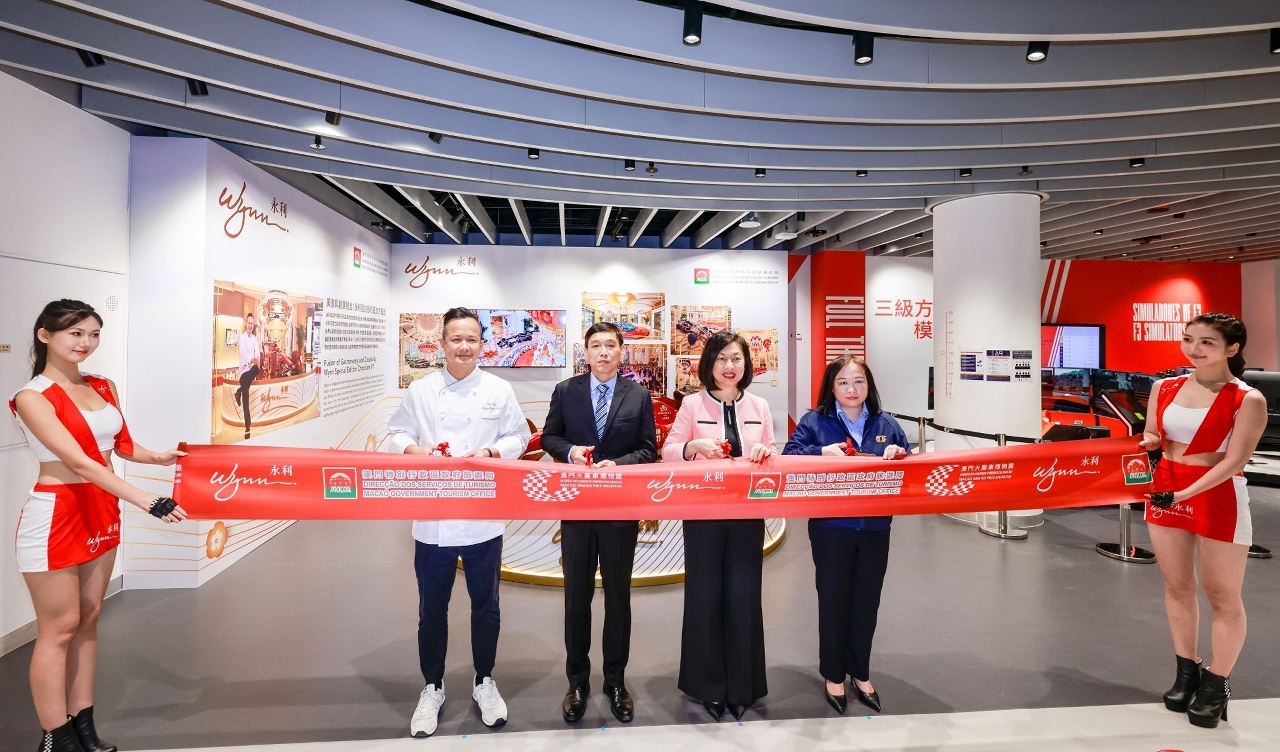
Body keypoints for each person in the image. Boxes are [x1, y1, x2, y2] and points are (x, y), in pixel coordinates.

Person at [10, 299, 187, 752]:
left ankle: (83, 726)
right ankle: (56, 738)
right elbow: (79, 463)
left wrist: (158, 457)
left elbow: (120, 445)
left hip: (102, 508)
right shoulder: (33, 397)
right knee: (60, 627)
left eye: (93, 334)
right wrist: (147, 499)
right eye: (75, 333)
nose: (85, 343)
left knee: (88, 619)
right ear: (45, 335)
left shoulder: (103, 385)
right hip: (56, 515)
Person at [385, 306, 531, 738]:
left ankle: (484, 680)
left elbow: (519, 437)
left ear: (481, 344)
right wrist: (417, 451)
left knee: (486, 606)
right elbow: (397, 434)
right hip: (434, 518)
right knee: (432, 609)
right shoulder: (421, 390)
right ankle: (432, 686)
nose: (464, 347)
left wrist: (490, 453)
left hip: (483, 517)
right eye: (456, 339)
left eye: (471, 339)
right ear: (442, 343)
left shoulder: (499, 389)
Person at [1140, 312, 1266, 729]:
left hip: (1217, 496)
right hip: (1165, 490)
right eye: (1188, 339)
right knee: (1177, 586)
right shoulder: (1163, 387)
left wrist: (1182, 494)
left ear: (1233, 348)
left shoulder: (1247, 398)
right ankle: (1186, 673)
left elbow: (1234, 460)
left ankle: (1216, 685)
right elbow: (1155, 437)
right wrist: (1146, 443)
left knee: (1223, 596)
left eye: (1207, 342)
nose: (1194, 349)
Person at [541, 322, 657, 724]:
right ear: (586, 352)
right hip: (576, 509)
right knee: (576, 598)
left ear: (621, 351)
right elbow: (549, 438)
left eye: (610, 345)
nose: (603, 352)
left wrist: (618, 464)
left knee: (618, 598)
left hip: (619, 512)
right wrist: (571, 451)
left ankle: (615, 681)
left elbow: (648, 450)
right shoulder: (565, 391)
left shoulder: (638, 395)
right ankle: (576, 683)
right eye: (596, 346)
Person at [782, 355, 908, 716]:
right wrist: (820, 452)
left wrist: (900, 454)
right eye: (843, 382)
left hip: (875, 528)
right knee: (834, 601)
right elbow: (789, 457)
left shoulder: (887, 423)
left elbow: (910, 467)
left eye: (859, 381)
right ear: (831, 387)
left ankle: (861, 673)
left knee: (867, 602)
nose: (852, 389)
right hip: (831, 528)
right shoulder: (815, 421)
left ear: (869, 386)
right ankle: (834, 675)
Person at [661, 330, 775, 722]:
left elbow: (774, 452)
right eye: (722, 358)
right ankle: (708, 686)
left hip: (747, 515)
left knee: (744, 596)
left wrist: (765, 452)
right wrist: (691, 447)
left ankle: (742, 686)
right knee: (705, 596)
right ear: (709, 363)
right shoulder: (692, 404)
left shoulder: (760, 405)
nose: (729, 366)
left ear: (746, 364)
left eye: (736, 358)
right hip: (703, 514)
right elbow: (669, 451)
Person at [233, 312, 260, 440]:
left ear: (253, 325)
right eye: (249, 323)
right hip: (244, 370)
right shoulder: (242, 337)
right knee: (246, 393)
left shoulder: (254, 338)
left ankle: (239, 391)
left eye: (252, 324)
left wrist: (257, 359)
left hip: (252, 369)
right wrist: (251, 359)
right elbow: (243, 353)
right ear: (246, 324)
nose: (250, 325)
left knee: (257, 369)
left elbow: (257, 351)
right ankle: (247, 425)